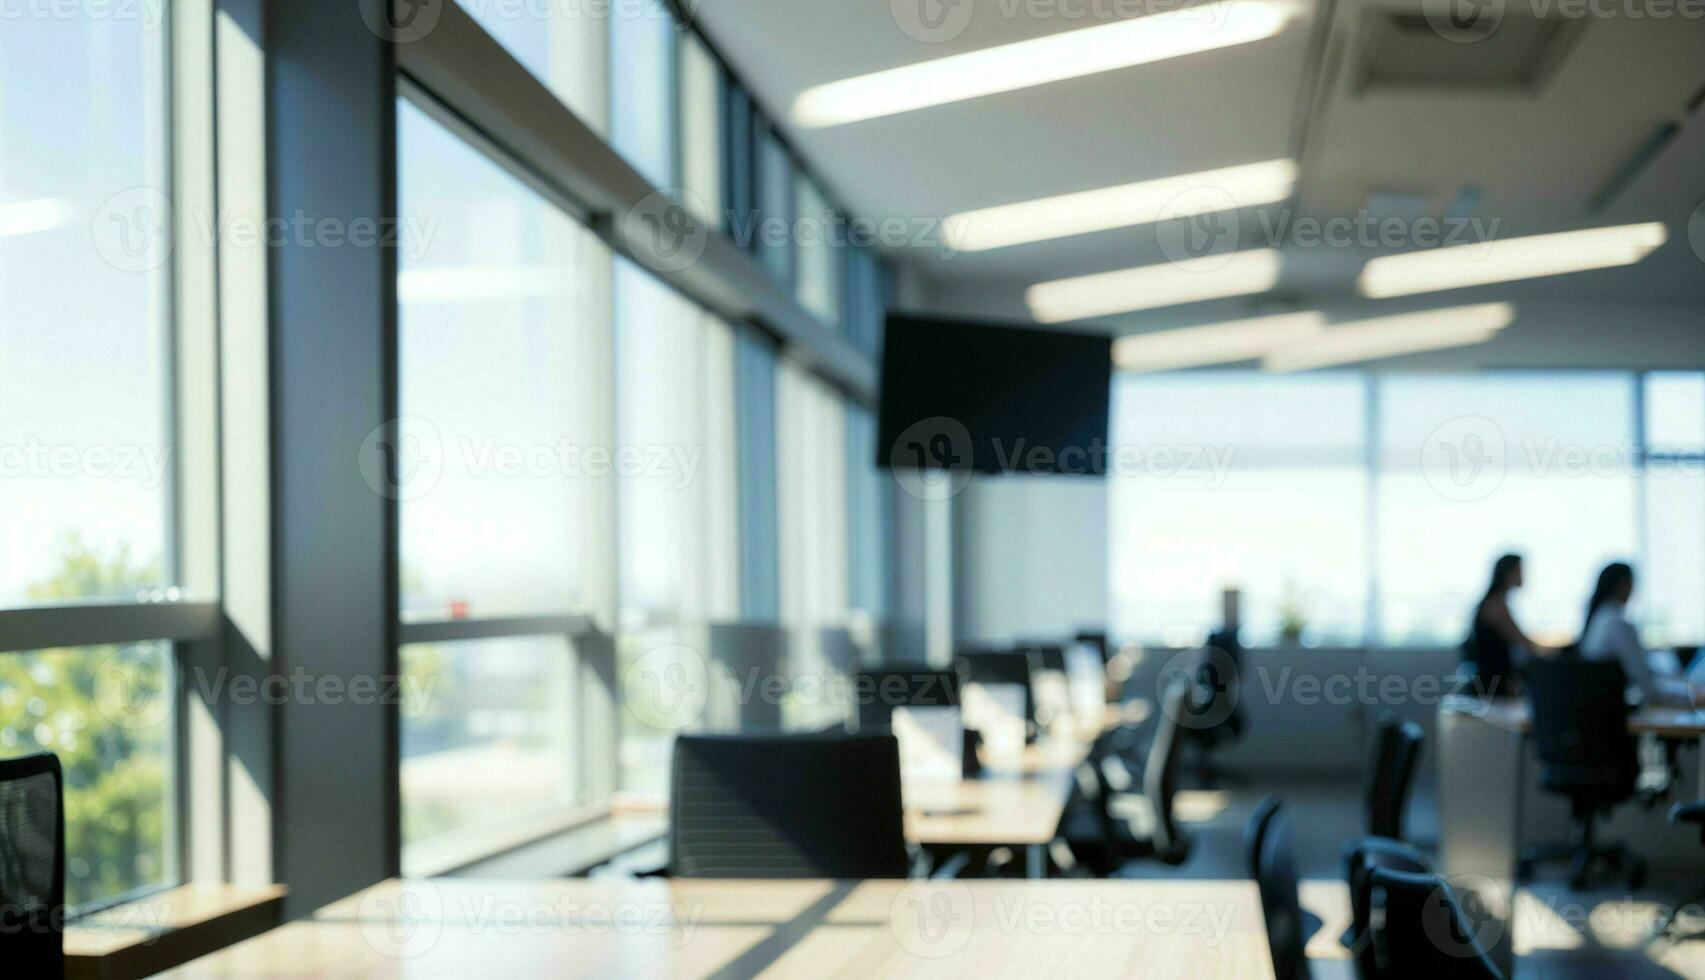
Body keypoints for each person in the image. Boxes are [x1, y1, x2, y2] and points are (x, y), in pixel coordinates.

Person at [1579, 562, 1697, 708]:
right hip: (1613, 716)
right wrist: (1693, 696)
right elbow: (1648, 685)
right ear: (1623, 585)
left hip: (1598, 714)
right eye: (1631, 584)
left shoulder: (1599, 618)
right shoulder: (1618, 624)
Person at [1465, 554, 1548, 696]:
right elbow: (1520, 641)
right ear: (1507, 574)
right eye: (1519, 571)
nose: (1523, 576)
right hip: (1492, 685)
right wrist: (1551, 655)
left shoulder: (1497, 602)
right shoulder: (1495, 606)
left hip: (1494, 682)